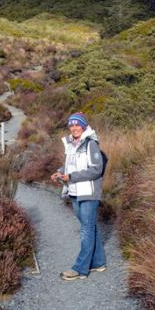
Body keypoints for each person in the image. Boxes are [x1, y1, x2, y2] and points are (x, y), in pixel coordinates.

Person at [50, 111, 107, 281]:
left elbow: (96, 169)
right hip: (74, 191)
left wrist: (71, 177)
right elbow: (70, 165)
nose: (74, 128)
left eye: (77, 124)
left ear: (83, 126)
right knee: (88, 227)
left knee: (86, 230)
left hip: (89, 192)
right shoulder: (71, 144)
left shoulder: (91, 144)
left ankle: (80, 269)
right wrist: (60, 172)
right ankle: (98, 262)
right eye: (71, 125)